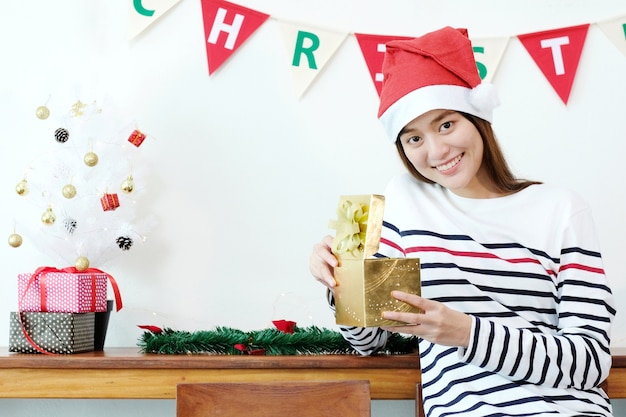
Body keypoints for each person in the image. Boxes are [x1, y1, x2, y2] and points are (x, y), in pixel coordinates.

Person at [309, 26, 616, 416]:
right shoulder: (404, 201)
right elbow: (370, 340)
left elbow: (589, 361)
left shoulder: (562, 209)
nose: (437, 151)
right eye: (414, 138)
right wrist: (339, 281)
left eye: (446, 124)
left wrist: (467, 333)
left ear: (477, 118)